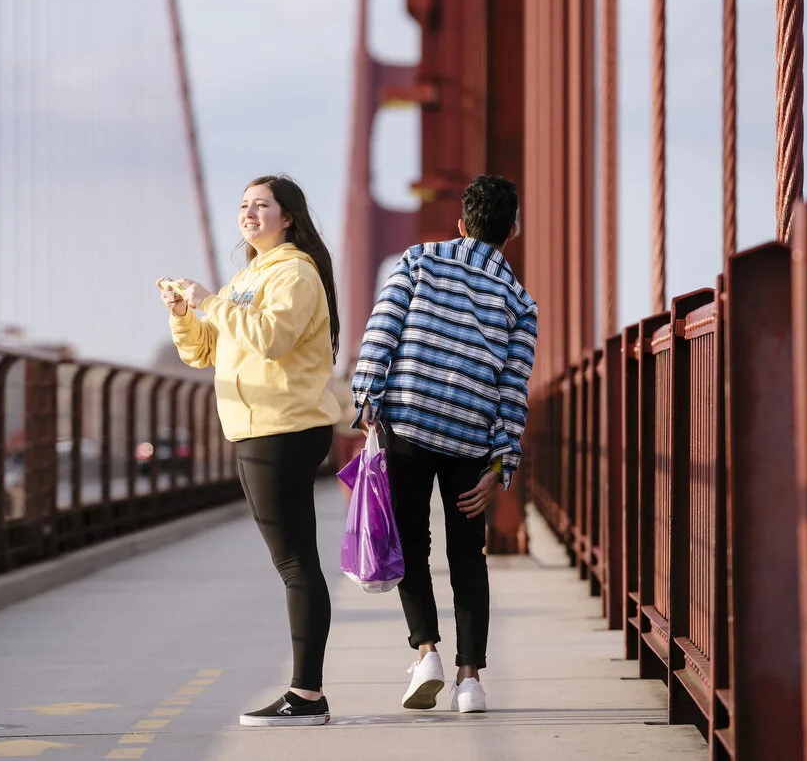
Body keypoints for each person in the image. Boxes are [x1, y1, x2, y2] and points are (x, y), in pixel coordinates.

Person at [158, 174, 342, 727]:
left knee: (295, 562)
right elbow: (205, 352)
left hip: (282, 427)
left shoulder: (295, 273)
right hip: (256, 428)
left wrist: (211, 301)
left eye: (262, 205)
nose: (249, 213)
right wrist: (185, 314)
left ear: (288, 217)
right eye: (243, 205)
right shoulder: (248, 277)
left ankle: (307, 696)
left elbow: (270, 339)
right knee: (293, 560)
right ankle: (307, 692)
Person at [351, 173, 538, 714]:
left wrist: (368, 405)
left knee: (411, 545)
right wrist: (500, 465)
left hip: (407, 426)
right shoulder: (521, 304)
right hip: (470, 440)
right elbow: (512, 390)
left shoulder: (418, 261)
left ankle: (427, 652)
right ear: (513, 232)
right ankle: (470, 680)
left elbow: (381, 331)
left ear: (460, 224)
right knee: (467, 557)